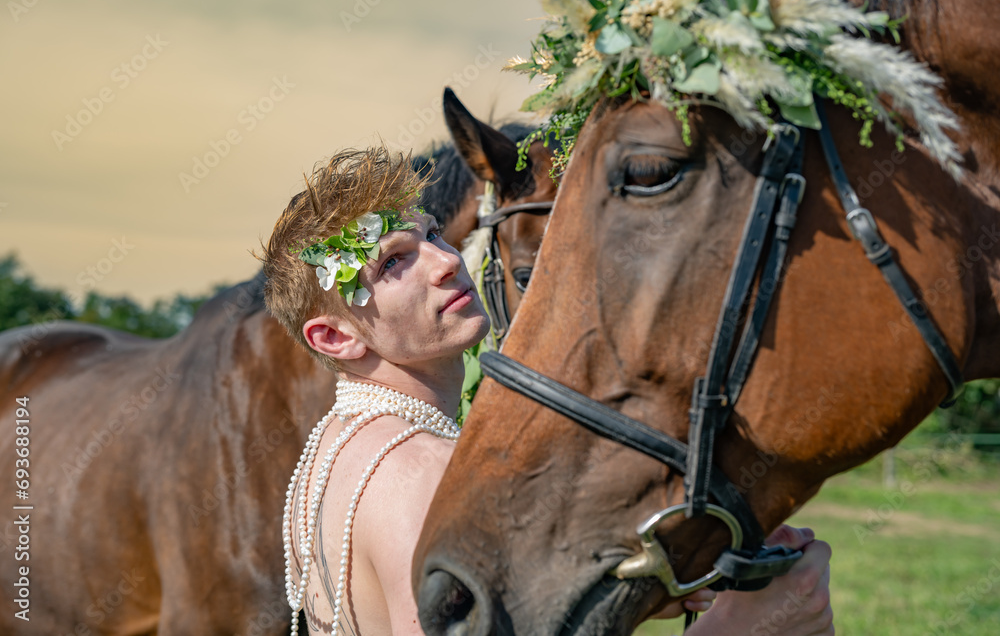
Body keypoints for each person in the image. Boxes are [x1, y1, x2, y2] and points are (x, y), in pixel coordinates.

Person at [263, 146, 835, 636]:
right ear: (334, 337)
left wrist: (653, 595)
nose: (445, 261)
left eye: (433, 234)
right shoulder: (418, 472)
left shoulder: (329, 454)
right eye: (393, 263)